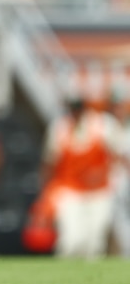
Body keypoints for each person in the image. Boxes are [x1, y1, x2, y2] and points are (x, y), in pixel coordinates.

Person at [37, 93, 127, 258]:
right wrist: (45, 194)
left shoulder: (103, 125)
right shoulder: (59, 128)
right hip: (70, 191)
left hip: (99, 191)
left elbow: (119, 155)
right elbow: (49, 163)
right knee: (71, 241)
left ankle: (92, 281)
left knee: (94, 242)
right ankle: (65, 280)